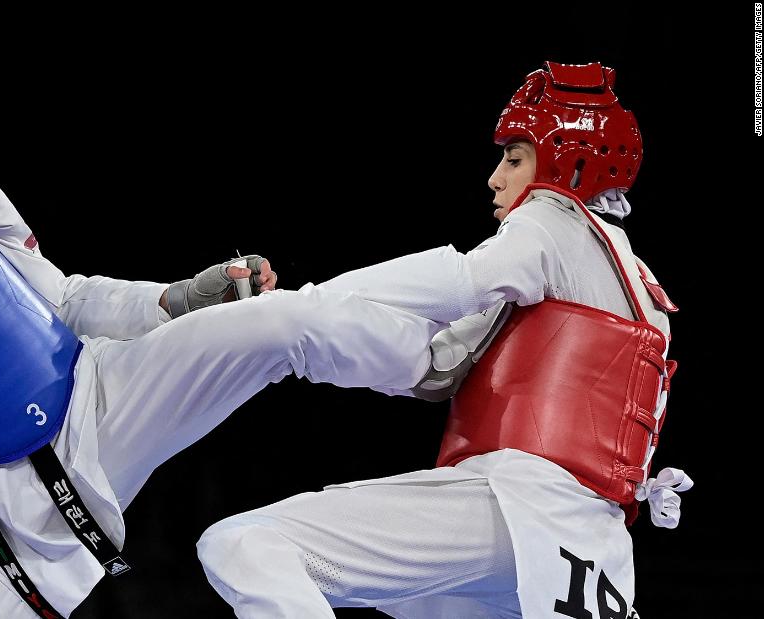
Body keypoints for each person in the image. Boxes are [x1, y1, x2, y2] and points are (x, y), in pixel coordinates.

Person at [0, 20, 447, 618]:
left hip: (103, 397)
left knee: (286, 320)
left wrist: (177, 299)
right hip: (0, 512)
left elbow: (64, 299)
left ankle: (434, 360)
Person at [197, 61, 691, 618]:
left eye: (514, 158)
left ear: (565, 167)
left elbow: (458, 284)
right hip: (584, 552)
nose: (495, 178)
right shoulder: (638, 289)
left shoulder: (553, 221)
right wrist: (286, 328)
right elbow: (433, 365)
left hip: (514, 505)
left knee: (246, 546)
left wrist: (295, 306)